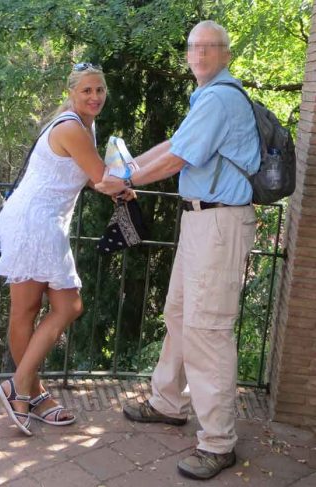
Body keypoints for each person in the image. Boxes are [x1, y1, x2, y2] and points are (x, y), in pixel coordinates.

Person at [96, 20, 260, 480]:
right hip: (202, 220)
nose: (201, 54)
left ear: (226, 55)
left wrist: (125, 179)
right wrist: (129, 168)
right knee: (180, 314)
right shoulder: (206, 98)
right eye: (194, 47)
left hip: (219, 223)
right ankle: (168, 402)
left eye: (211, 47)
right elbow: (173, 145)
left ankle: (218, 442)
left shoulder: (222, 98)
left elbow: (178, 159)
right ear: (187, 55)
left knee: (208, 330)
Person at [0, 62, 133, 436]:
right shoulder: (71, 126)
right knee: (56, 307)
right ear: (72, 92)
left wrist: (113, 184)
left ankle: (26, 392)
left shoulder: (86, 125)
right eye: (87, 90)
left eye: (99, 90)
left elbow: (86, 176)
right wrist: (122, 184)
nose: (95, 97)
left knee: (37, 309)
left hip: (42, 220)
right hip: (35, 221)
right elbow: (102, 177)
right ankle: (22, 388)